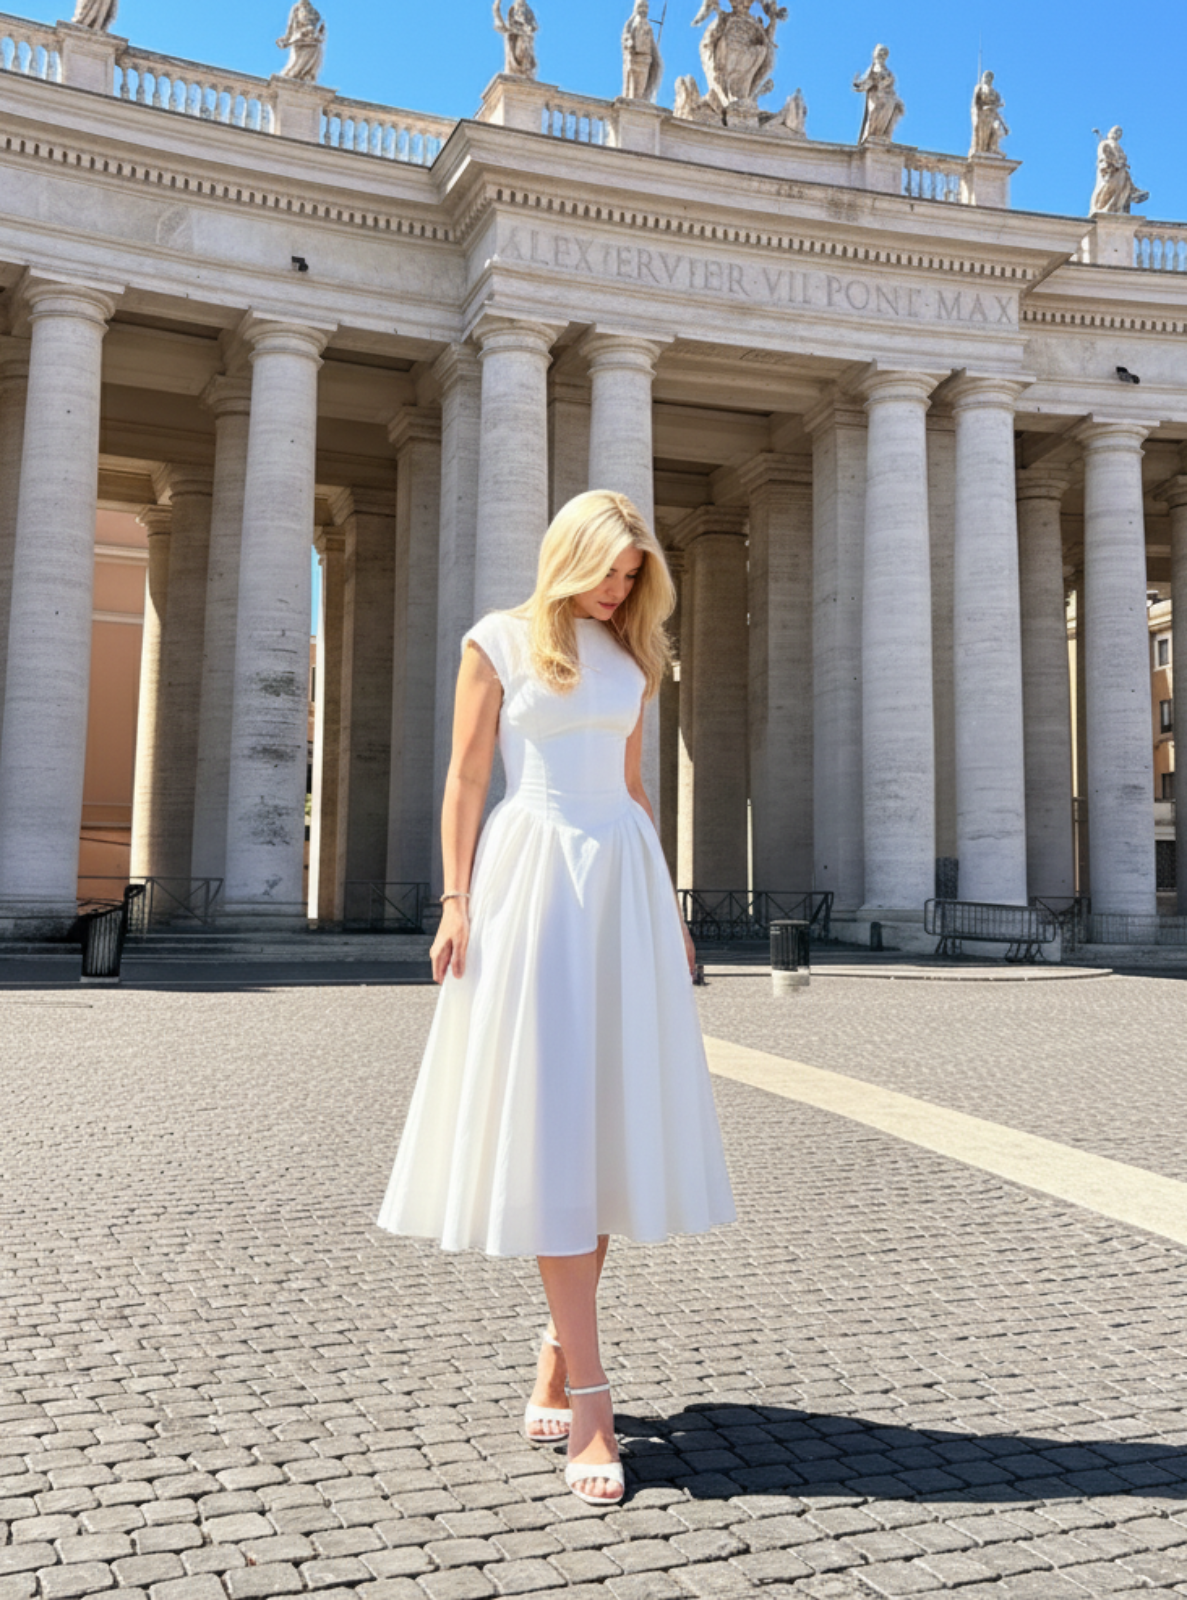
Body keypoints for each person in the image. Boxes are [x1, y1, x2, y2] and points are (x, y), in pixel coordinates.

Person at [377, 490, 736, 1508]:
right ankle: (589, 1393)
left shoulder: (633, 655)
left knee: (602, 1121)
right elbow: (464, 777)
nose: (622, 587)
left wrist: (665, 906)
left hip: (617, 875)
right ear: (568, 553)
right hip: (529, 875)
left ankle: (553, 1347)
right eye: (611, 569)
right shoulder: (494, 639)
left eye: (635, 575)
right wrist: (453, 900)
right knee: (547, 1121)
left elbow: (630, 787)